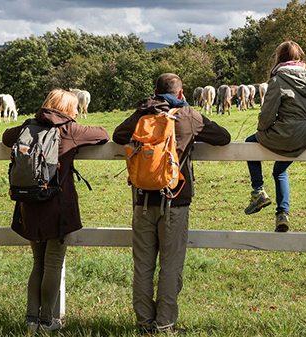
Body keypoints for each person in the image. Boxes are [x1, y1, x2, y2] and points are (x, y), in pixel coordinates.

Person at [113, 73, 231, 334]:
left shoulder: (142, 113)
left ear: (154, 91)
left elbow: (118, 135)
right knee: (171, 265)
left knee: (143, 265)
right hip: (175, 200)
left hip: (142, 199)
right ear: (180, 93)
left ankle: (144, 323)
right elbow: (223, 137)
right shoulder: (188, 115)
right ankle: (165, 324)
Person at [2, 89, 109, 332]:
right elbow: (103, 135)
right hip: (57, 207)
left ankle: (31, 320)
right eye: (74, 108)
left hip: (29, 205)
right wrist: (74, 123)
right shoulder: (70, 130)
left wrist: (30, 125)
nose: (77, 111)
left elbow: (6, 137)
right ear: (67, 109)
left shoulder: (28, 126)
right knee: (53, 262)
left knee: (38, 262)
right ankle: (48, 321)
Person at [244, 41, 306, 232]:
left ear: (280, 58)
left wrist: (263, 129)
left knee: (249, 144)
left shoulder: (278, 79)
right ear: (300, 57)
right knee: (279, 170)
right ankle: (282, 214)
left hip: (283, 134)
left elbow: (268, 114)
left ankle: (258, 191)